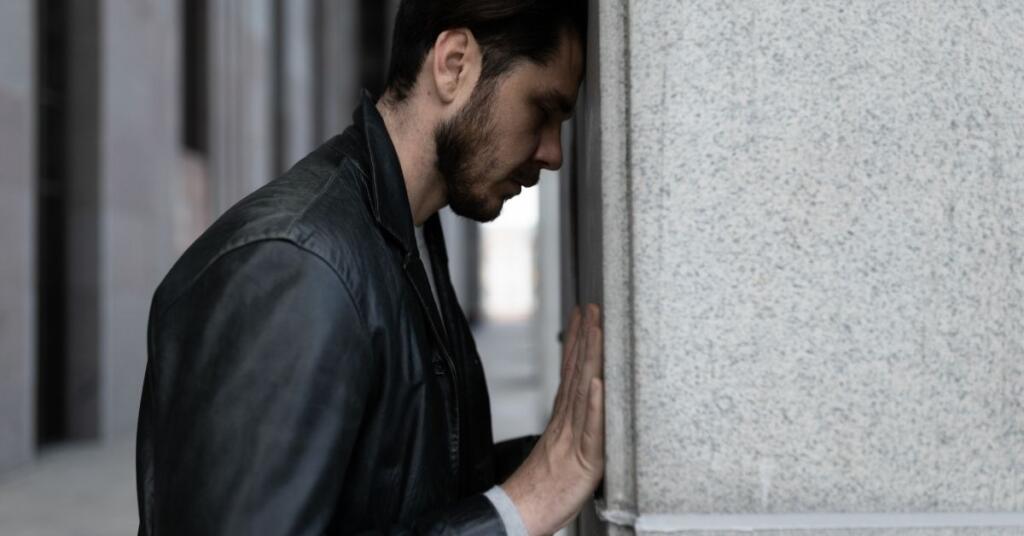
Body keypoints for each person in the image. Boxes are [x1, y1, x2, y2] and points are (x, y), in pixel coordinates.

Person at [136, 1, 603, 534]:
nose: (553, 153)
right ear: (454, 63)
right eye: (542, 109)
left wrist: (564, 452)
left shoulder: (410, 233)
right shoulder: (294, 265)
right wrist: (519, 509)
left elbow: (403, 492)